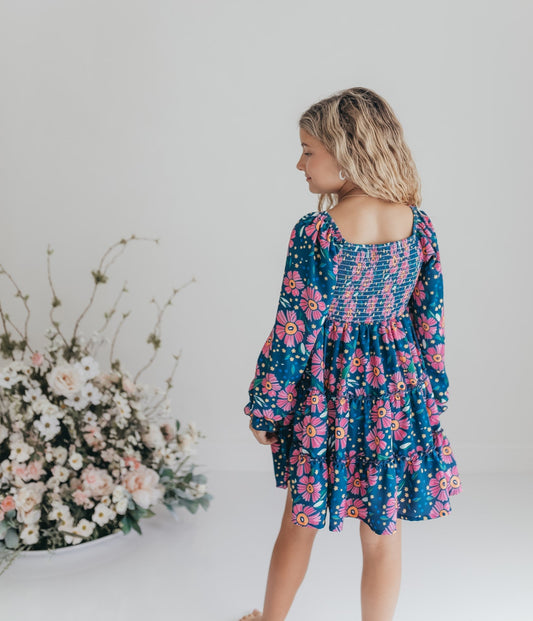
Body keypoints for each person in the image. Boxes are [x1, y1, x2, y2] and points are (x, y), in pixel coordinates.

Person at [240, 87, 463, 621]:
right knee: (383, 534)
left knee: (299, 521)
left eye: (308, 151)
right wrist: (432, 393)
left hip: (329, 394)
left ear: (346, 152)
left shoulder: (319, 232)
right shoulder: (417, 224)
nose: (300, 164)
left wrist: (267, 406)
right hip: (394, 392)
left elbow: (294, 330)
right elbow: (428, 320)